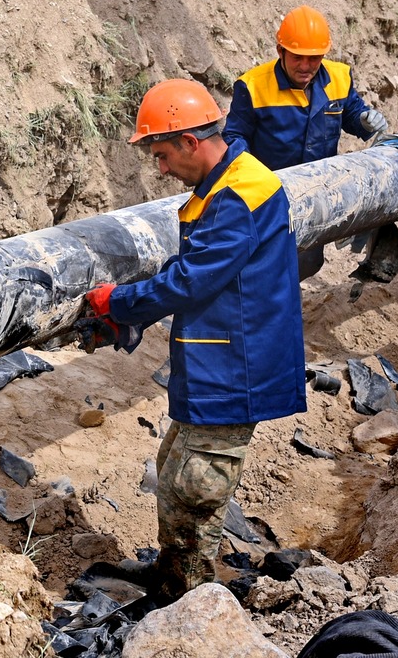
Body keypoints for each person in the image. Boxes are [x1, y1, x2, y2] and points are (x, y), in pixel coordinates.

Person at [84, 79, 307, 603]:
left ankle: (191, 603)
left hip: (236, 365)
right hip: (218, 355)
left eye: (162, 155)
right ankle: (173, 572)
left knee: (197, 484)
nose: (161, 169)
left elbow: (192, 280)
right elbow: (197, 270)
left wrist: (116, 302)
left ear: (190, 141)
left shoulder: (237, 197)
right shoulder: (225, 185)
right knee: (174, 469)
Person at [223, 4, 389, 278]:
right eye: (298, 57)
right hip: (270, 194)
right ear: (281, 51)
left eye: (314, 58)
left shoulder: (339, 77)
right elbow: (234, 136)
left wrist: (364, 120)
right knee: (265, 264)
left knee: (308, 262)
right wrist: (248, 179)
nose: (306, 66)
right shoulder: (252, 86)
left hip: (316, 191)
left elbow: (351, 113)